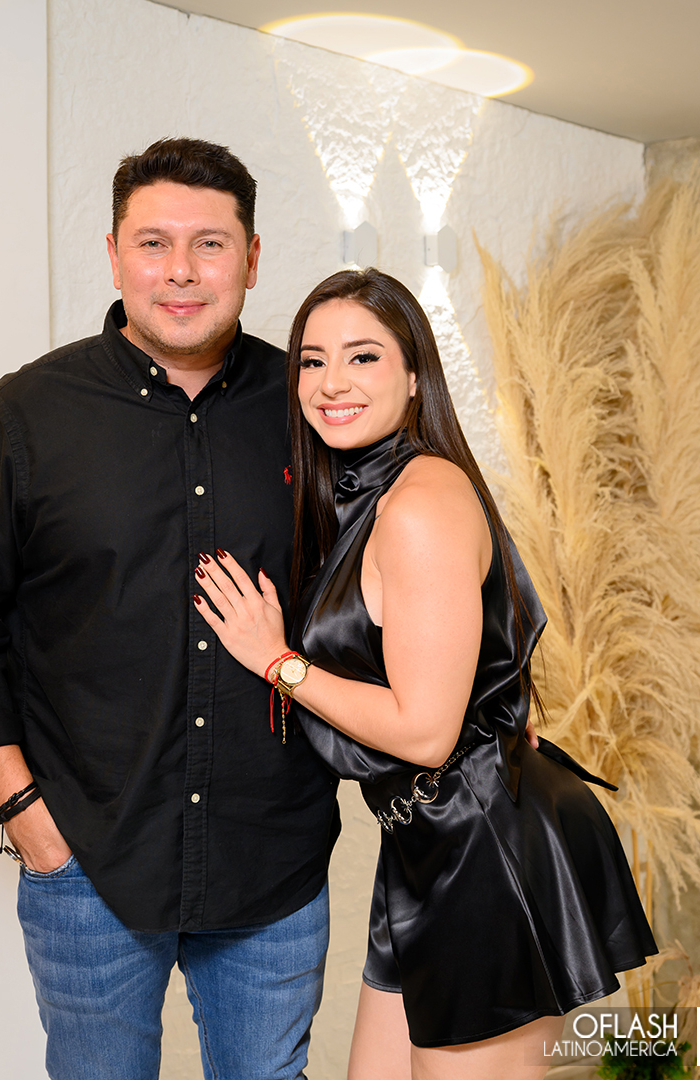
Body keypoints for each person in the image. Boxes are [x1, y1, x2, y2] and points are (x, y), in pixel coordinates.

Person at [0, 138, 339, 1080]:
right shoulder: (21, 419)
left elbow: (388, 577)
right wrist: (22, 810)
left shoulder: (315, 412)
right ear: (113, 256)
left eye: (209, 244)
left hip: (272, 859)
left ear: (252, 259)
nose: (180, 271)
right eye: (154, 243)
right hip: (87, 864)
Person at [193, 268, 657, 1080]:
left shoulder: (418, 506)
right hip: (426, 838)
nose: (331, 382)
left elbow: (427, 732)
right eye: (312, 360)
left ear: (415, 378)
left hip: (483, 844)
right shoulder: (369, 493)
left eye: (363, 357)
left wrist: (278, 662)